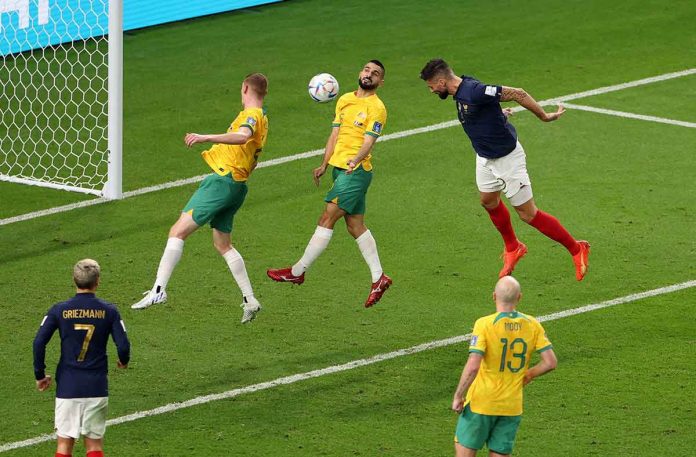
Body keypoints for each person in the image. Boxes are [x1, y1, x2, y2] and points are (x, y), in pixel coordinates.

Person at [419, 59, 590, 281]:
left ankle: (576, 248)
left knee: (528, 214)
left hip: (508, 160)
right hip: (485, 158)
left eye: (431, 86)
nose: (431, 90)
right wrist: (500, 115)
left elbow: (518, 93)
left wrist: (544, 116)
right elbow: (484, 108)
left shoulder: (473, 90)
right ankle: (514, 247)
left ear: (442, 81)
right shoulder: (463, 89)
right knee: (488, 200)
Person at [131, 73, 269, 324]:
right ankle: (250, 299)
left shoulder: (253, 116)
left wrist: (205, 137)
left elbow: (242, 136)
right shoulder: (265, 118)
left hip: (222, 182)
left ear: (245, 87)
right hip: (237, 186)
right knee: (222, 244)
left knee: (177, 232)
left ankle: (158, 291)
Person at [267, 61, 392, 307]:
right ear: (360, 73)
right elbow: (335, 135)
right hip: (339, 170)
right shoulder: (344, 99)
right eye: (367, 70)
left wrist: (355, 160)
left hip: (355, 172)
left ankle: (298, 270)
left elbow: (369, 141)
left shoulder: (377, 108)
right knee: (355, 226)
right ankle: (379, 278)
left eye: (375, 74)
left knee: (327, 218)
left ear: (380, 82)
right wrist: (324, 164)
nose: (369, 75)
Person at [33, 259, 130, 457]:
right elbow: (123, 344)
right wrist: (123, 360)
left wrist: (40, 374)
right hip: (96, 386)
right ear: (98, 281)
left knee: (64, 446)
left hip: (68, 386)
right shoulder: (109, 310)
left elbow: (38, 343)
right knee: (94, 446)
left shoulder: (59, 310)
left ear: (74, 280)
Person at [451, 276, 557, 456]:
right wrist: (529, 374)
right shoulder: (532, 324)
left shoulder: (484, 324)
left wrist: (458, 395)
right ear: (519, 297)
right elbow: (550, 362)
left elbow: (473, 365)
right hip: (511, 407)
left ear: (494, 296)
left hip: (481, 404)